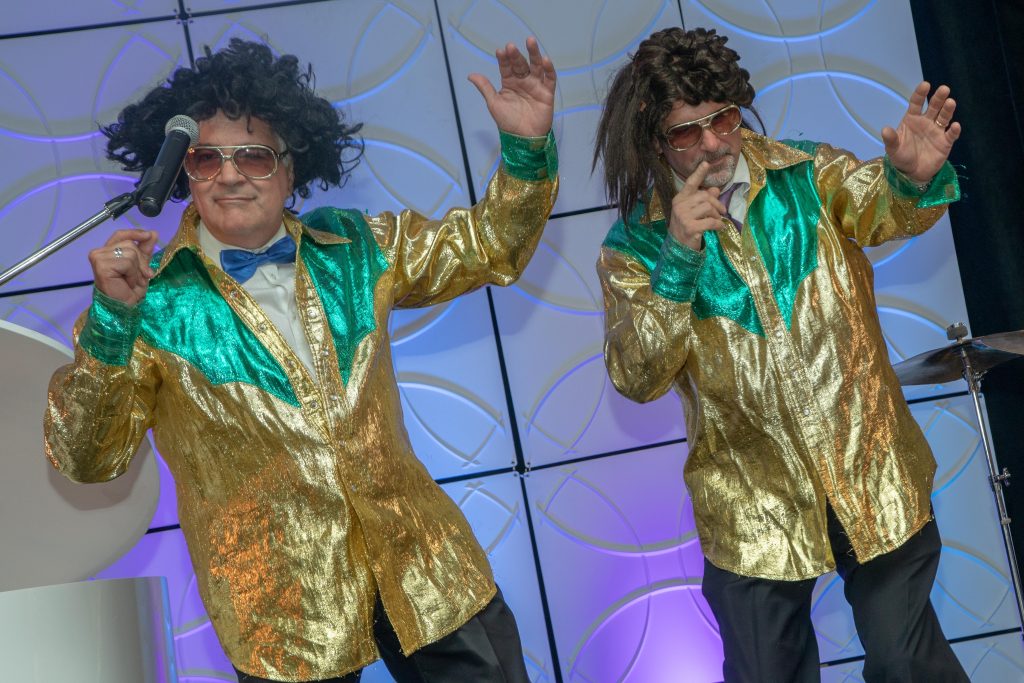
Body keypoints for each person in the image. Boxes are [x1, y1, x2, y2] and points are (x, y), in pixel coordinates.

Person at [45, 37, 557, 683]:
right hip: (283, 615)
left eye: (254, 156)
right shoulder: (142, 307)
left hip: (429, 570)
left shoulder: (358, 245)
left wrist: (526, 149)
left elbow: (489, 246)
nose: (230, 175)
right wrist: (113, 323)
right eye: (207, 158)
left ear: (291, 171)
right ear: (184, 173)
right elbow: (87, 460)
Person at [593, 27, 967, 683]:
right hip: (750, 506)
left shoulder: (808, 174)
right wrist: (677, 258)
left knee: (907, 663)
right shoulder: (633, 248)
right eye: (687, 132)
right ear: (654, 140)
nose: (714, 143)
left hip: (870, 467)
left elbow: (879, 207)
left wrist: (910, 179)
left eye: (724, 119)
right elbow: (637, 375)